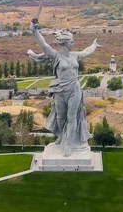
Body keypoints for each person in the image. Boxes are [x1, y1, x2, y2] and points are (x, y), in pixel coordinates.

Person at [28, 19, 100, 157]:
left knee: (71, 117)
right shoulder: (55, 56)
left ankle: (68, 144)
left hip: (74, 89)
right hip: (60, 90)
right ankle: (61, 135)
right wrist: (35, 31)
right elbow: (44, 45)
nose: (73, 44)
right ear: (65, 43)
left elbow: (86, 52)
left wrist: (94, 45)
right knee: (61, 117)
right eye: (71, 42)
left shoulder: (75, 55)